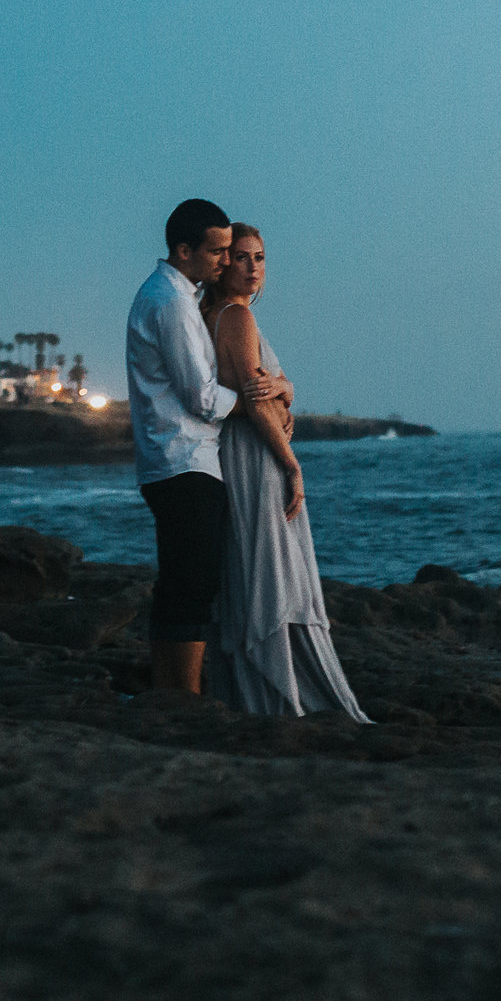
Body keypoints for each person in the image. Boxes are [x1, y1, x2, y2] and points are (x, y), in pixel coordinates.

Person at [202, 224, 372, 722]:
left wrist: (286, 388)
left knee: (256, 564)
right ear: (222, 264)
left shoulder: (218, 316)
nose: (253, 267)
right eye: (241, 258)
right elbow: (256, 406)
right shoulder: (236, 317)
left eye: (260, 257)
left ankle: (259, 687)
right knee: (273, 568)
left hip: (237, 452)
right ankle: (284, 691)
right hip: (256, 455)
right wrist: (293, 466)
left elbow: (262, 390)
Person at [126, 198, 282, 696]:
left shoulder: (175, 296)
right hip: (182, 460)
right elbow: (201, 395)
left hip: (175, 459)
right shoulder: (171, 303)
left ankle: (171, 688)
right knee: (191, 587)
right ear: (183, 249)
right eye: (216, 251)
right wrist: (259, 400)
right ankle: (182, 694)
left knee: (182, 582)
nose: (224, 261)